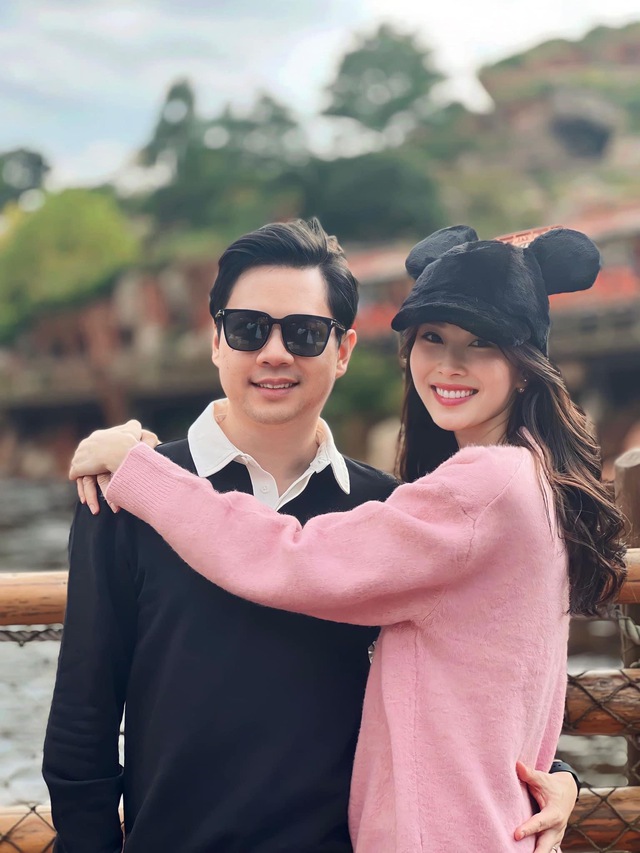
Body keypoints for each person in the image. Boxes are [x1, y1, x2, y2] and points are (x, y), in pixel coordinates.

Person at [65, 224, 613, 851]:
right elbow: (84, 716)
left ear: (344, 349)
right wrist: (551, 776)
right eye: (248, 329)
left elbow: (293, 561)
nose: (275, 353)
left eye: (303, 332)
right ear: (216, 340)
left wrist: (557, 775)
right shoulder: (121, 503)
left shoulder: (406, 500)